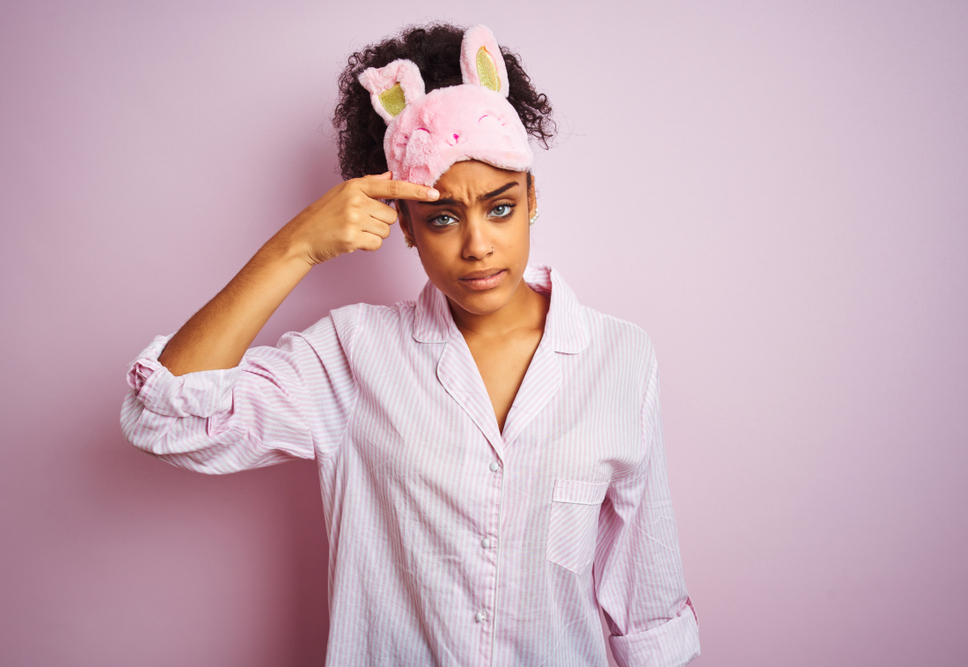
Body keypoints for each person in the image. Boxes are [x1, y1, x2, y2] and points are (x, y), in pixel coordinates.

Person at [121, 23, 700, 667]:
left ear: (532, 198)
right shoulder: (352, 356)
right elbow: (163, 418)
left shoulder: (620, 358)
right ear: (405, 226)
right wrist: (298, 247)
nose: (477, 245)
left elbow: (646, 603)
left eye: (500, 208)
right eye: (443, 218)